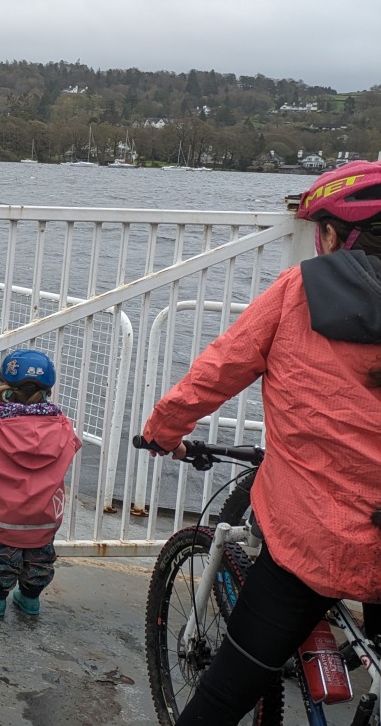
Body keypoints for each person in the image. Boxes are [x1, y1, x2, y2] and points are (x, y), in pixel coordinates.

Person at [140, 160, 381, 724]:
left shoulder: (300, 290)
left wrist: (163, 431)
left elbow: (218, 369)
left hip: (319, 540)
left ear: (330, 235)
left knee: (225, 692)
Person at [0, 349, 81, 617]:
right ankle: (30, 600)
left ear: (5, 387)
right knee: (40, 564)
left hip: (4, 518)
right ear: (49, 389)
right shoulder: (63, 426)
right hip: (46, 518)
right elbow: (74, 444)